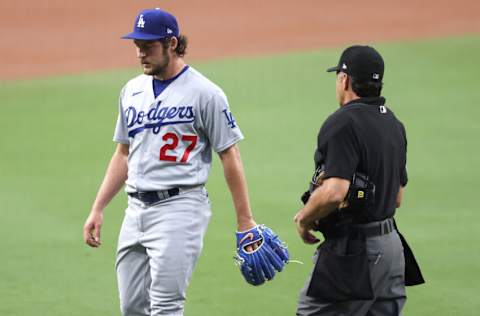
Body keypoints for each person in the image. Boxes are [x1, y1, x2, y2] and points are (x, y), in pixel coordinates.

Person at [83, 8, 259, 316]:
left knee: (165, 307)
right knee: (133, 307)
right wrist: (98, 207)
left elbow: (229, 154)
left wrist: (245, 220)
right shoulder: (132, 91)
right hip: (134, 209)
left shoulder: (206, 93)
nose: (140, 53)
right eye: (137, 45)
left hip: (180, 209)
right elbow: (124, 152)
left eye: (148, 46)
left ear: (172, 43)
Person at [294, 45, 413, 315]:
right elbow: (397, 197)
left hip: (355, 254)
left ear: (344, 79)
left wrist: (305, 217)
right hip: (392, 249)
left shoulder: (342, 123)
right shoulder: (394, 124)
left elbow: (336, 191)